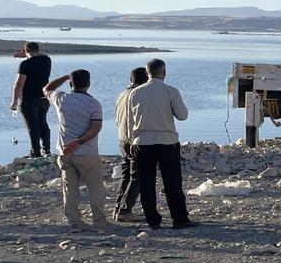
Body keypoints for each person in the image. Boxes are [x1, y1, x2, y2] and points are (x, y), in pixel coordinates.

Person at [129, 58, 196, 229]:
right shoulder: (170, 91)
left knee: (146, 182)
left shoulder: (135, 93)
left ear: (147, 72)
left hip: (142, 141)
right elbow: (182, 115)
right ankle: (179, 218)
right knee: (172, 182)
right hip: (166, 141)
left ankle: (152, 219)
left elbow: (131, 120)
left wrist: (131, 140)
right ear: (164, 72)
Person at [44, 69, 107, 232]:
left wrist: (64, 78)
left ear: (71, 83)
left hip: (65, 152)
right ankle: (99, 220)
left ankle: (75, 222)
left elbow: (46, 88)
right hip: (87, 152)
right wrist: (79, 141)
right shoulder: (94, 103)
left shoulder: (61, 98)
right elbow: (96, 127)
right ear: (89, 84)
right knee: (95, 187)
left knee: (70, 189)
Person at [113, 67, 149, 222]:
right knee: (137, 176)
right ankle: (125, 210)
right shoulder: (138, 95)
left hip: (122, 138)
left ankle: (118, 207)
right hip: (132, 140)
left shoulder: (122, 94)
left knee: (127, 174)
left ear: (131, 79)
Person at [10, 42, 53, 158]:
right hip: (44, 98)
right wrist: (28, 53)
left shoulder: (25, 64)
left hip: (28, 100)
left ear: (25, 51)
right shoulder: (46, 60)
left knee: (32, 126)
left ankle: (35, 152)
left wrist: (14, 102)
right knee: (43, 123)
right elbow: (40, 55)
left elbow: (19, 84)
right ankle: (47, 150)